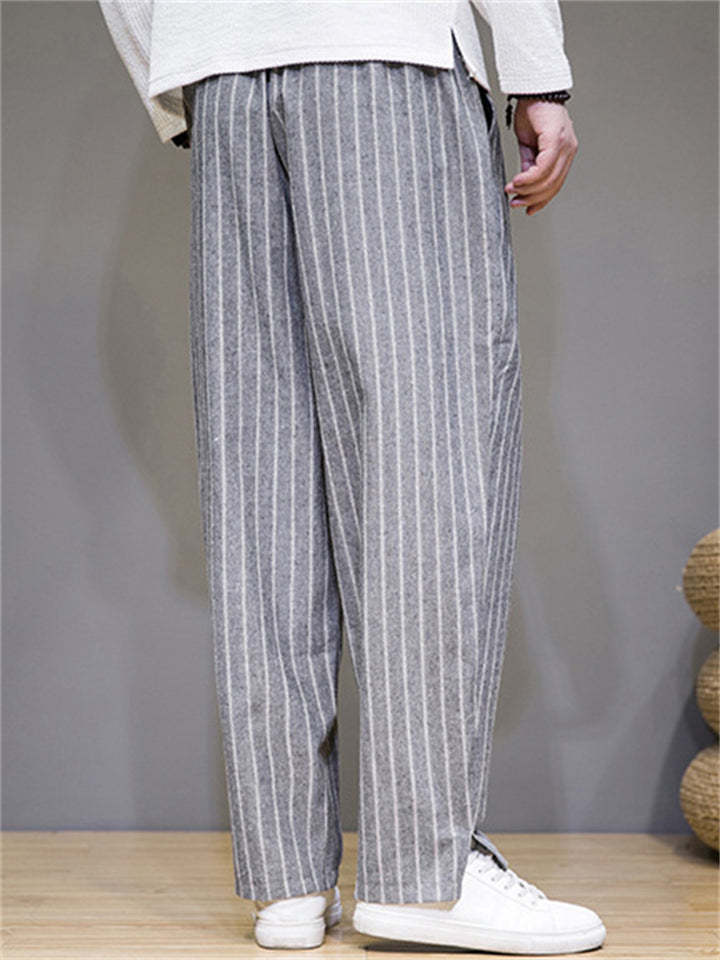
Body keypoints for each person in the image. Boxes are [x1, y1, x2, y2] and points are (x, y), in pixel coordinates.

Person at [98, 1, 605, 954]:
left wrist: (185, 70)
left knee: (262, 463)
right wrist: (538, 75)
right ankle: (427, 877)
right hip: (385, 53)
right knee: (426, 456)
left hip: (226, 84)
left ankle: (288, 882)